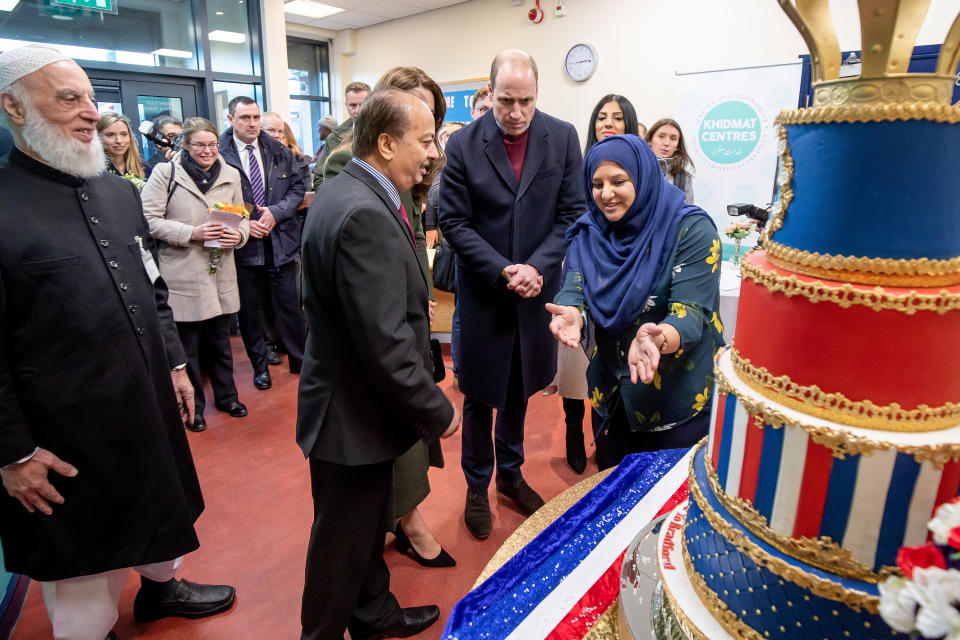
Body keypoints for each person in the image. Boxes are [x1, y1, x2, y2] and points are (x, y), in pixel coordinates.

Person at [0, 44, 235, 640]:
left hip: (147, 396)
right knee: (83, 560)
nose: (90, 112)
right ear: (14, 106)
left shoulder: (118, 193)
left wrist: (179, 366)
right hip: (65, 427)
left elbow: (153, 291)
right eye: (69, 99)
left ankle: (162, 590)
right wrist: (14, 454)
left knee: (164, 503)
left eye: (90, 97)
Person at [297, 88, 460, 640]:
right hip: (350, 415)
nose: (434, 152)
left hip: (349, 405)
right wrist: (437, 411)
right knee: (340, 545)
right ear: (386, 144)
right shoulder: (365, 212)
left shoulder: (349, 190)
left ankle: (374, 615)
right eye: (425, 140)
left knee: (364, 531)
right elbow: (385, 342)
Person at [439, 49, 586, 539]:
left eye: (525, 101)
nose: (516, 112)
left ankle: (511, 473)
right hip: (485, 294)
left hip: (535, 293)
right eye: (506, 101)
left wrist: (537, 267)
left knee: (520, 390)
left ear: (538, 93)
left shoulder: (562, 138)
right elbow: (454, 222)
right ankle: (477, 484)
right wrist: (505, 270)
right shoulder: (462, 145)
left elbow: (570, 213)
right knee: (480, 395)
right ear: (490, 93)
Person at [322, 65, 454, 569]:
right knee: (387, 448)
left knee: (404, 447)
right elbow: (356, 257)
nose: (431, 149)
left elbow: (411, 229)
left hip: (401, 312)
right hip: (369, 350)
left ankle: (401, 522)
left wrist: (414, 289)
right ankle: (404, 523)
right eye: (422, 133)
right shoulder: (349, 170)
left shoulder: (402, 172)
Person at [547, 135, 723, 470]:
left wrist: (660, 337)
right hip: (611, 394)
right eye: (597, 184)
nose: (606, 194)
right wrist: (572, 312)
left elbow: (691, 312)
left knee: (669, 507)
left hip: (674, 400)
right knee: (614, 490)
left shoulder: (690, 229)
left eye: (618, 181)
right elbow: (574, 286)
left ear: (642, 177)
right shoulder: (590, 231)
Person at [141, 116, 250, 433]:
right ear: (185, 145)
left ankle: (227, 398)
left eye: (212, 144)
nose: (207, 150)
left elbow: (241, 215)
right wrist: (192, 233)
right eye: (200, 144)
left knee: (221, 343)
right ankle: (195, 408)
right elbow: (148, 220)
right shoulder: (166, 173)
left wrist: (239, 235)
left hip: (220, 271)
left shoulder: (230, 174)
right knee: (187, 348)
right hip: (183, 273)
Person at [218, 96, 307, 390]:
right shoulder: (219, 154)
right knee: (251, 312)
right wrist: (244, 223)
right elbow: (215, 201)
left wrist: (277, 213)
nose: (253, 123)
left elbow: (297, 189)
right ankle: (260, 367)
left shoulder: (278, 150)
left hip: (280, 241)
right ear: (231, 120)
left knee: (290, 306)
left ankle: (300, 360)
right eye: (245, 118)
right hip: (244, 247)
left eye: (256, 117)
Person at [313, 80, 370, 189]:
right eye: (352, 105)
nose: (357, 110)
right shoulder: (333, 139)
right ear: (346, 105)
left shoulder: (383, 135)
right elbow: (319, 177)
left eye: (363, 104)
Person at [647, 117, 694, 204]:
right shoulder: (636, 169)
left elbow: (686, 213)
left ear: (677, 146)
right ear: (650, 140)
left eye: (673, 138)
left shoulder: (684, 178)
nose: (667, 143)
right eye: (661, 136)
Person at [97, 111, 143, 178]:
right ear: (97, 137)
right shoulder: (93, 172)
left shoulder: (144, 168)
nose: (119, 140)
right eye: (110, 135)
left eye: (124, 134)